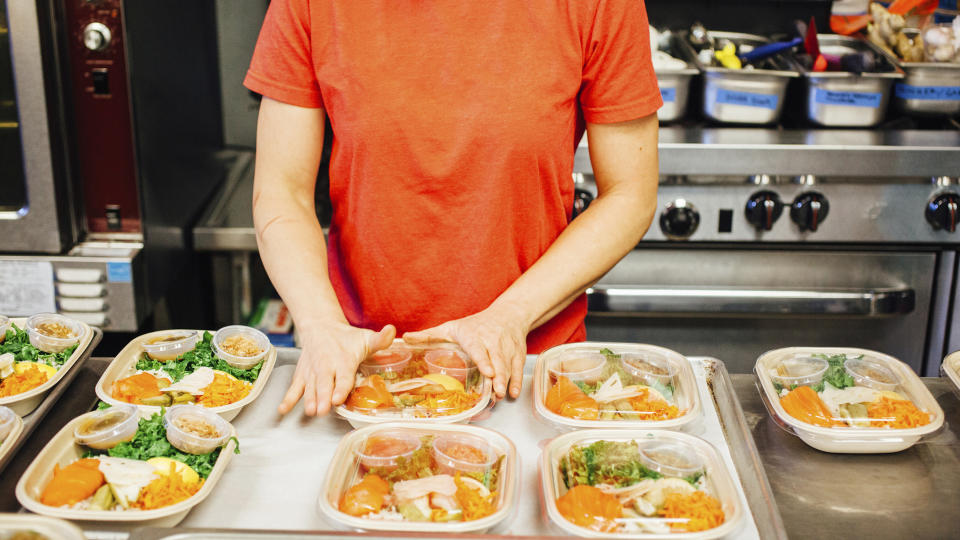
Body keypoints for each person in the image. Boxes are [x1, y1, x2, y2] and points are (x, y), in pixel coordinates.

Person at [244, 1, 662, 416]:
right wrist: (320, 325)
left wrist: (509, 318)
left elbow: (629, 193)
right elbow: (283, 190)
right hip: (361, 369)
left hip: (527, 370)